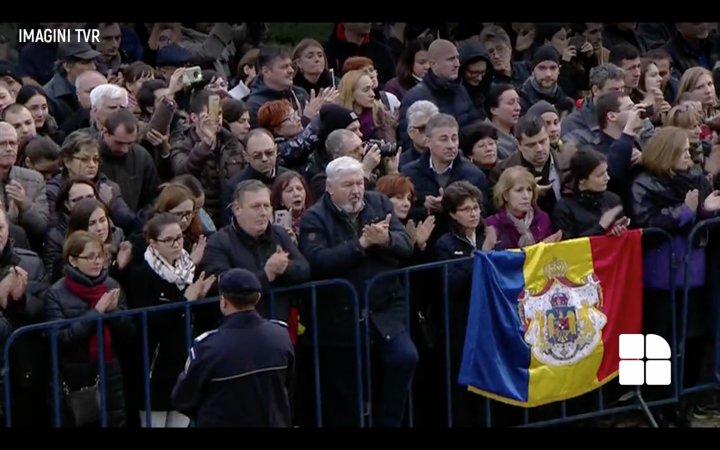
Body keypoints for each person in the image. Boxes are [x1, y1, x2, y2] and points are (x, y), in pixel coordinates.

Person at [171, 268, 294, 427]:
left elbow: (182, 398)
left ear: (224, 301)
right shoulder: (280, 335)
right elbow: (287, 384)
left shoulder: (208, 347)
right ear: (257, 298)